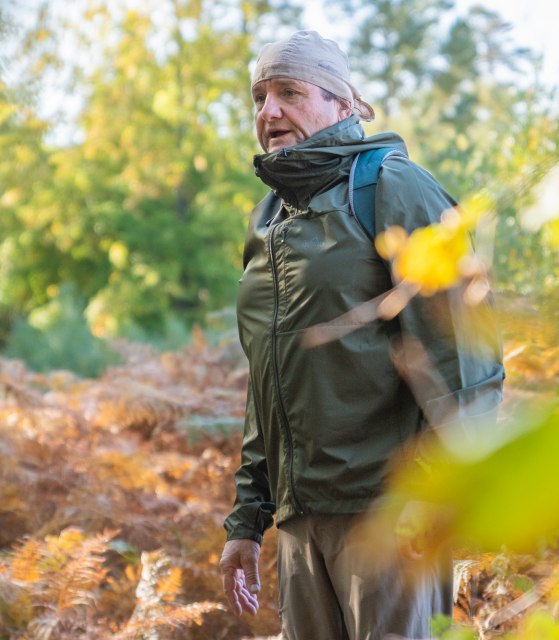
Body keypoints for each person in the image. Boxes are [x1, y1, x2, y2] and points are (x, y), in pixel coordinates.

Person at [219, 30, 505, 640]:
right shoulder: (268, 220)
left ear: (342, 104)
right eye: (259, 96)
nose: (269, 112)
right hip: (300, 523)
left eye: (289, 92)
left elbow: (469, 358)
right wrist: (247, 520)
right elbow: (269, 384)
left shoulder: (393, 188)